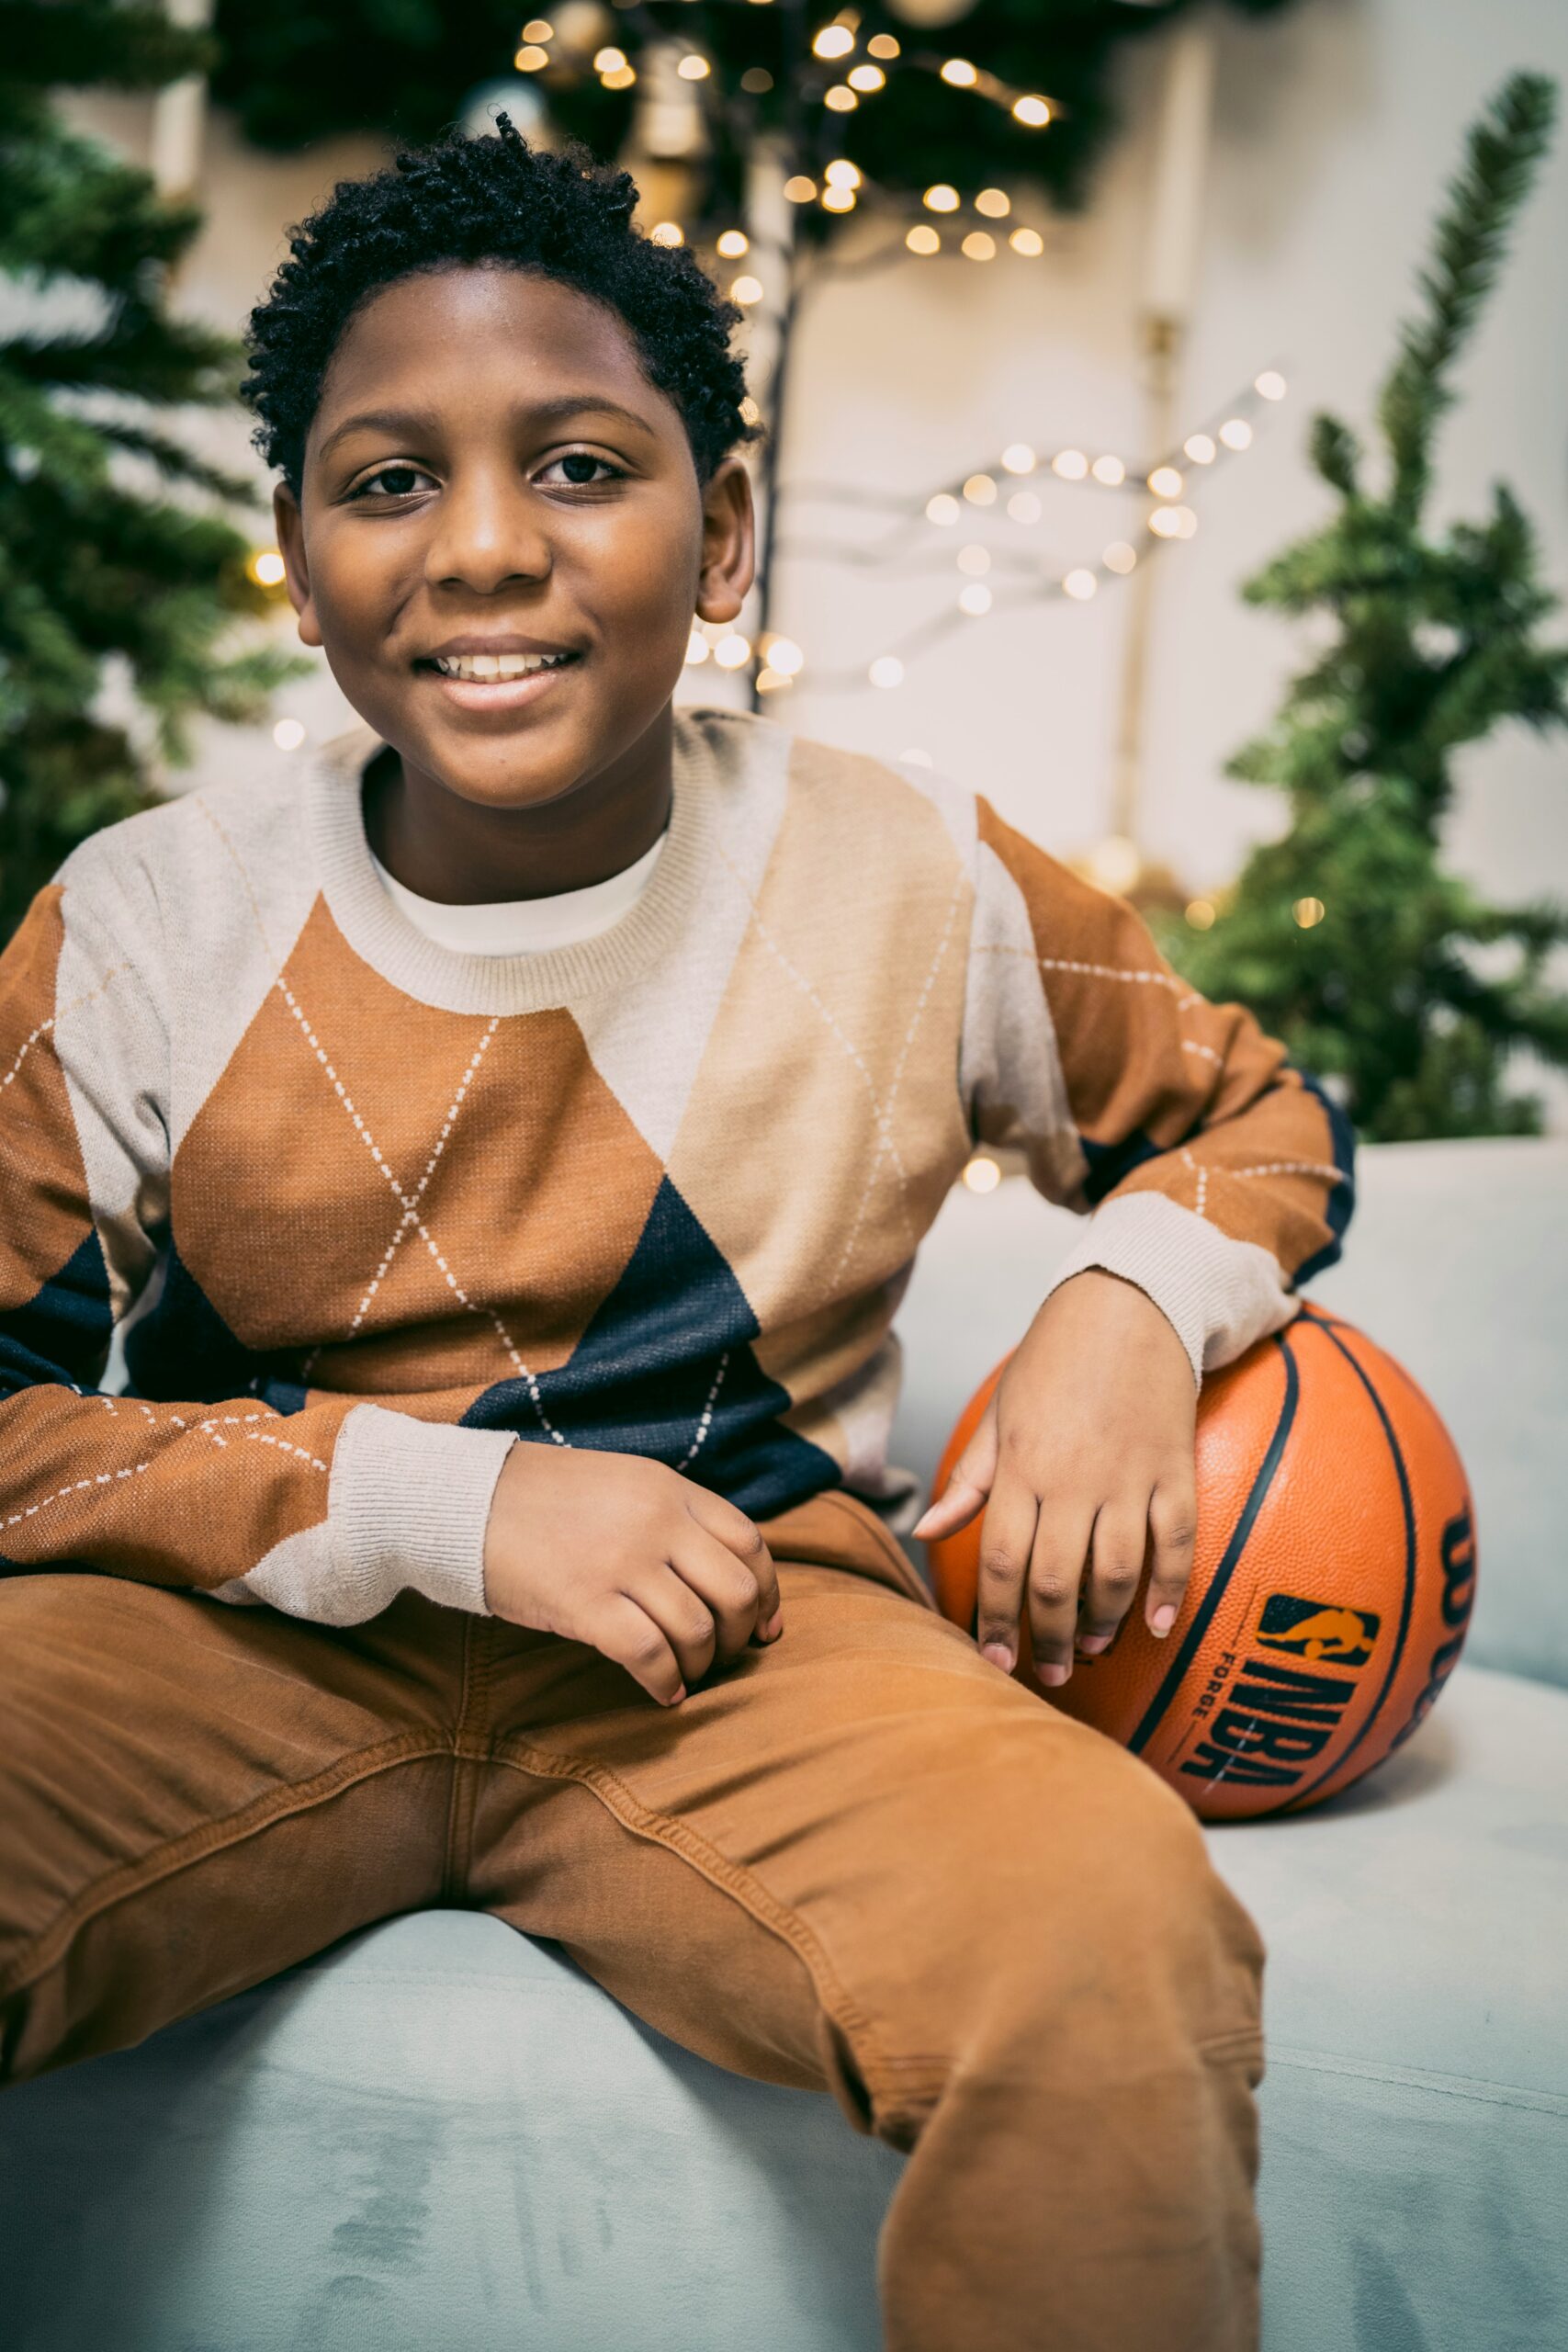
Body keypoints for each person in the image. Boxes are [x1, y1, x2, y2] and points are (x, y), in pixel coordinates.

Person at [0, 117, 1353, 2351]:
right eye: (388, 481)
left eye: (582, 465)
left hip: (748, 1641)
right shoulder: (150, 916)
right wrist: (435, 1494)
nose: (487, 550)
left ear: (718, 535)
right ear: (298, 558)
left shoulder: (907, 866)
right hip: (245, 1621)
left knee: (1109, 1928)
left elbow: (1242, 1112)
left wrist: (1129, 1294)